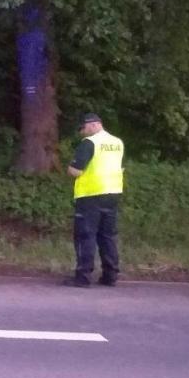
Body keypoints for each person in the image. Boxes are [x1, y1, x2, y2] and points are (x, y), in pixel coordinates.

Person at [63, 113, 124, 288]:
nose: (82, 132)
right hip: (112, 193)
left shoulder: (90, 143)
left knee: (85, 236)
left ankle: (83, 277)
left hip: (90, 195)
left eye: (83, 128)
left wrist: (70, 170)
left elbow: (76, 170)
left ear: (93, 125)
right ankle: (110, 276)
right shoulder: (117, 142)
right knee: (107, 236)